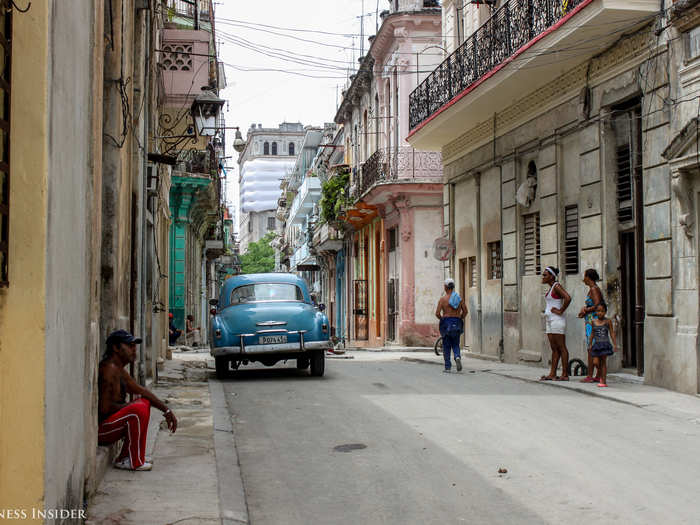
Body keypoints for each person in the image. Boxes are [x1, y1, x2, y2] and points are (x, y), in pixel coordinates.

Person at [98, 329, 177, 471]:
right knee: (137, 409)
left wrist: (166, 410)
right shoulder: (108, 370)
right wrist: (129, 407)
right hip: (103, 431)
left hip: (113, 425)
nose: (134, 350)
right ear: (116, 348)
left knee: (144, 403)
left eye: (134, 346)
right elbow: (104, 409)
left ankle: (126, 457)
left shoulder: (119, 370)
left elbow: (142, 391)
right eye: (130, 346)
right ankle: (134, 461)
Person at [540, 266, 572, 381]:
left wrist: (561, 311)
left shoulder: (557, 286)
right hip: (550, 320)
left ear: (552, 276)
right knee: (554, 348)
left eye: (545, 275)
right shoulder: (551, 288)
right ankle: (552, 373)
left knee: (561, 347)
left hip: (557, 320)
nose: (543, 277)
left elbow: (567, 298)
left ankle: (564, 374)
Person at [435, 278, 468, 373]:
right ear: (453, 287)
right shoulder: (458, 298)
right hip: (457, 321)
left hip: (446, 322)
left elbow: (437, 313)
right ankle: (457, 356)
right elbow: (465, 311)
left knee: (446, 345)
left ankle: (448, 367)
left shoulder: (443, 299)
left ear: (445, 287)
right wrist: (460, 317)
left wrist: (442, 319)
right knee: (455, 343)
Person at [578, 268, 604, 383]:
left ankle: (591, 375)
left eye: (585, 276)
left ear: (588, 277)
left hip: (593, 321)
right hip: (590, 321)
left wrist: (586, 310)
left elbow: (598, 305)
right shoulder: (592, 289)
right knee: (592, 347)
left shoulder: (594, 289)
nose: (583, 279)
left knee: (591, 347)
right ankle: (597, 375)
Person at [588, 302, 617, 387]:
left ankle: (603, 381)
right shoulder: (593, 322)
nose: (600, 313)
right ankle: (601, 375)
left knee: (603, 362)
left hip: (605, 344)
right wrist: (590, 344)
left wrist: (615, 344)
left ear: (605, 312)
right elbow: (592, 334)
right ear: (596, 312)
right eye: (598, 311)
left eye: (602, 311)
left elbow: (611, 333)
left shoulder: (608, 321)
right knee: (596, 362)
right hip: (597, 345)